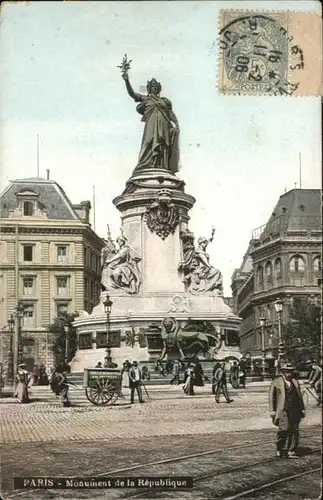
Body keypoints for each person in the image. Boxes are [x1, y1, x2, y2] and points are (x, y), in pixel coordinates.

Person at [122, 71, 180, 174]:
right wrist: (127, 80)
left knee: (163, 145)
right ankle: (145, 165)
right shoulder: (146, 99)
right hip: (151, 125)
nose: (155, 88)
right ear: (149, 88)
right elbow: (133, 94)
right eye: (152, 86)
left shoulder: (165, 101)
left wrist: (176, 123)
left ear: (159, 88)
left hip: (164, 126)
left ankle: (161, 166)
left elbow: (170, 113)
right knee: (148, 143)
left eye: (156, 86)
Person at [269, 363, 306, 458]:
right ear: (283, 373)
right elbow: (271, 397)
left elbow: (299, 397)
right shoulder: (276, 382)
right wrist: (272, 411)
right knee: (284, 429)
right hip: (283, 410)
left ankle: (292, 451)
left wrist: (302, 409)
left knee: (294, 430)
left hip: (295, 410)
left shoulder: (295, 382)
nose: (290, 374)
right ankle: (280, 448)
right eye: (287, 372)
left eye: (291, 372)